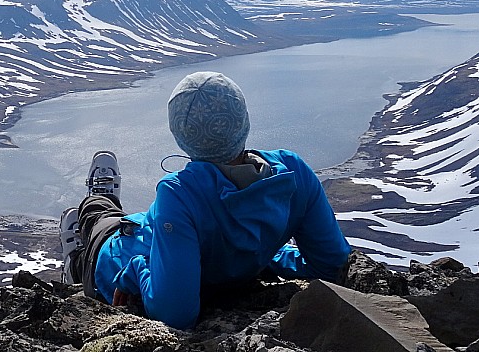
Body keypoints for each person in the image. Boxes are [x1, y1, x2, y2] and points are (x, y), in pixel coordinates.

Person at [59, 71, 351, 330]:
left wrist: (134, 270)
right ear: (244, 120)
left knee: (100, 221)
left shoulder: (179, 194)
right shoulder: (294, 172)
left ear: (181, 136)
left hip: (118, 256)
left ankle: (76, 259)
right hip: (161, 235)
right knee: (114, 220)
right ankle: (97, 211)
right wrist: (261, 256)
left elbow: (175, 314)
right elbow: (331, 265)